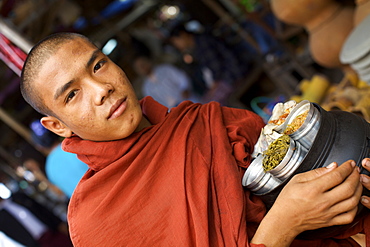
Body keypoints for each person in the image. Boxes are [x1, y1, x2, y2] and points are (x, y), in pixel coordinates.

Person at [19, 32, 370, 247]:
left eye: (98, 66)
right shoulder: (97, 222)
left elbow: (299, 184)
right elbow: (289, 213)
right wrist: (285, 223)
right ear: (57, 126)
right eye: (71, 95)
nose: (101, 89)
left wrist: (347, 181)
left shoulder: (205, 122)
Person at [30, 119, 89, 198]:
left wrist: (42, 178)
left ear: (39, 147)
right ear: (57, 130)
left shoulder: (49, 169)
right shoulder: (78, 144)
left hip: (92, 207)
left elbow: (60, 193)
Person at [133, 55, 200, 108]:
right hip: (173, 111)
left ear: (148, 61)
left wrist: (185, 89)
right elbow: (155, 105)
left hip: (186, 99)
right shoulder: (146, 88)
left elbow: (182, 78)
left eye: (143, 64)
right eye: (140, 67)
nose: (143, 68)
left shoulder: (165, 69)